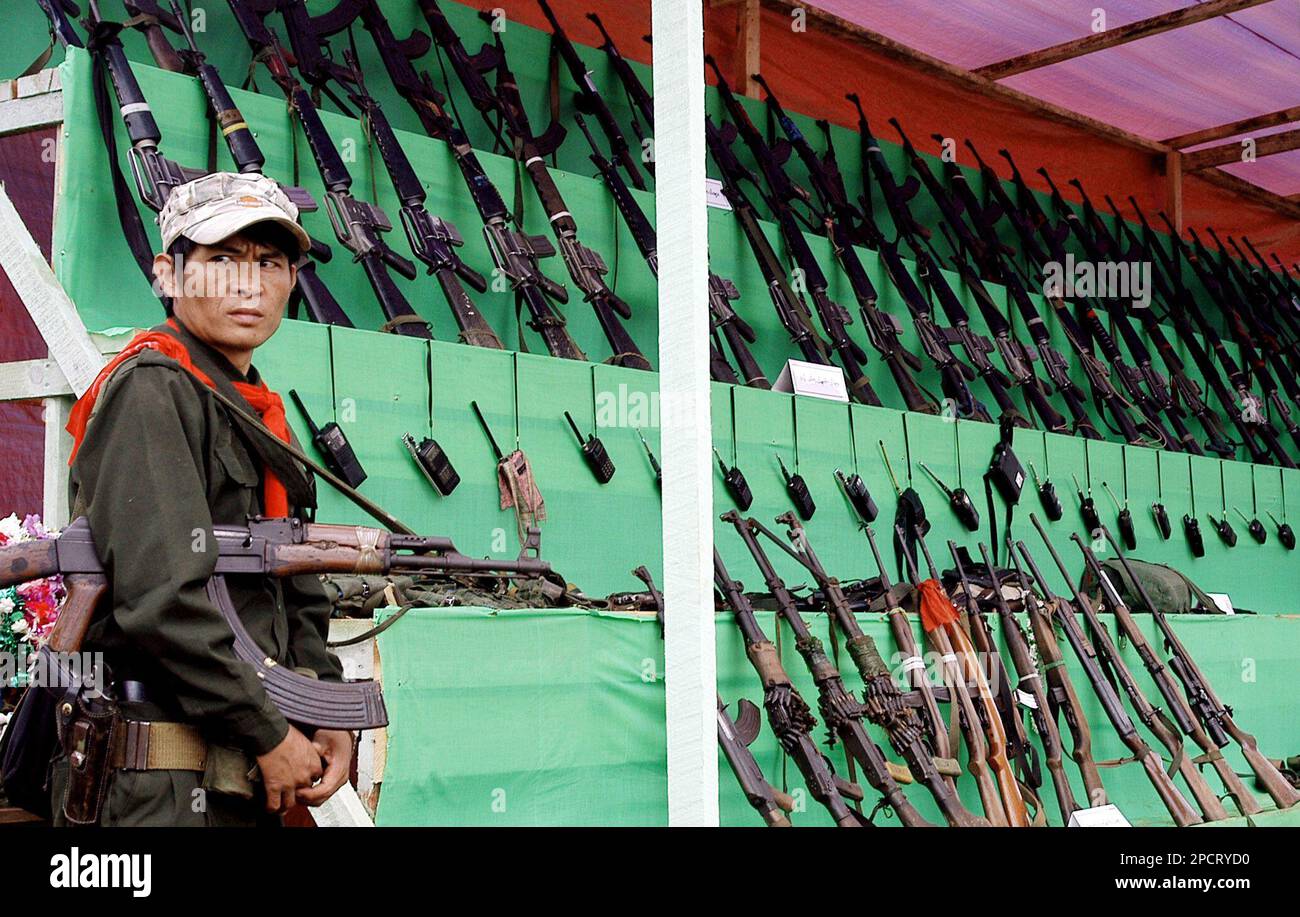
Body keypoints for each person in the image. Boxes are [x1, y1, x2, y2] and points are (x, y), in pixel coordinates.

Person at [50, 172, 352, 826]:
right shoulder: (153, 390)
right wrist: (270, 730)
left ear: (292, 280)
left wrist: (322, 705)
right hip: (160, 778)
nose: (248, 283)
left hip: (236, 769)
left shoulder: (257, 410)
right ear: (168, 273)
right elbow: (163, 601)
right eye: (221, 259)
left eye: (269, 262)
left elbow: (293, 580)